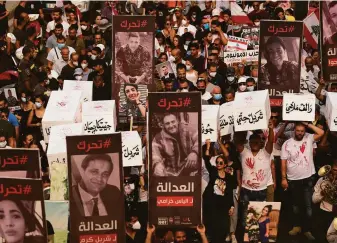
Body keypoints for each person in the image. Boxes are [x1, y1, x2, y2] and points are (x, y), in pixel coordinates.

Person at [281, 122, 324, 240]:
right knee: (295, 205)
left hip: (307, 178)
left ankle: (307, 229)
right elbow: (283, 162)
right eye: (298, 130)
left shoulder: (309, 138)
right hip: (292, 179)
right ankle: (297, 226)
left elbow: (321, 132)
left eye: (302, 130)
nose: (300, 133)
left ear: (304, 131)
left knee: (308, 206)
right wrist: (283, 178)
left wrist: (307, 124)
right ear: (294, 130)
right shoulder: (287, 143)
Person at [203, 140, 235, 243]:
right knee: (212, 226)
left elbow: (229, 192)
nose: (218, 164)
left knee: (223, 226)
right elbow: (206, 159)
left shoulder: (229, 177)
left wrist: (232, 206)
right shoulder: (213, 170)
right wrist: (208, 146)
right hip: (212, 203)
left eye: (221, 162)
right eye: (217, 162)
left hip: (223, 204)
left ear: (225, 164)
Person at [152, 113, 198, 177]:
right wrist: (157, 165)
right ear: (163, 125)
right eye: (167, 123)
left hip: (192, 168)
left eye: (173, 122)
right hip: (172, 172)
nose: (171, 125)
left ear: (177, 121)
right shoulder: (158, 138)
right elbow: (155, 154)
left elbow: (200, 139)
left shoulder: (188, 129)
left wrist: (194, 152)